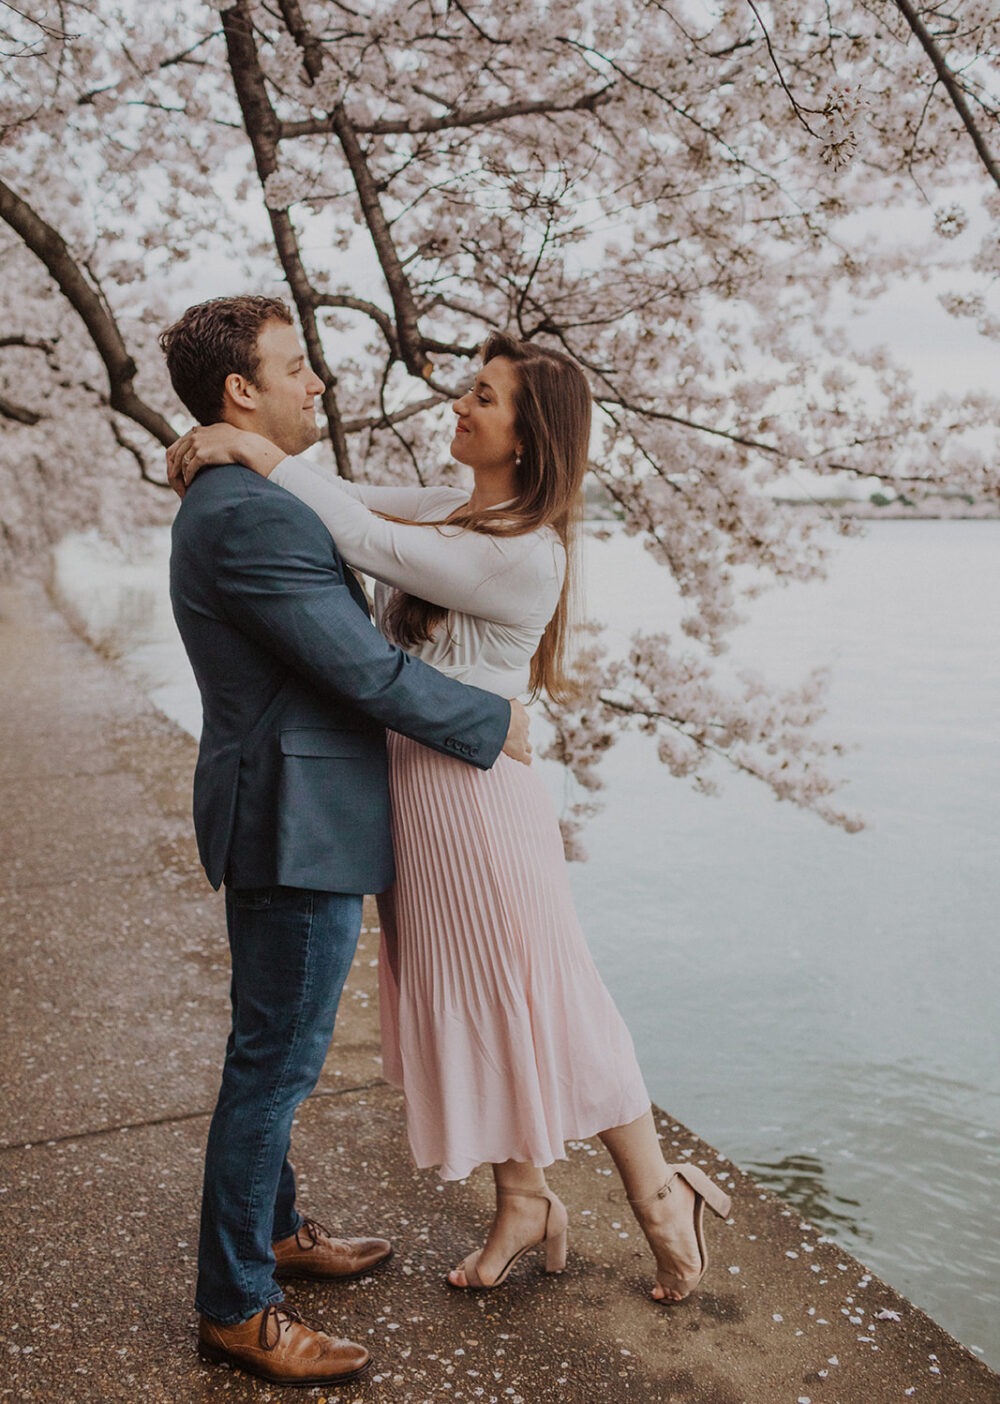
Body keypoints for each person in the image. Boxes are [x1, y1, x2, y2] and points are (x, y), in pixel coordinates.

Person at [167, 328, 732, 1310]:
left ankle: (659, 1195)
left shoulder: (525, 554)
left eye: (483, 398)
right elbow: (349, 501)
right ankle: (522, 1199)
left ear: (528, 437)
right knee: (474, 1001)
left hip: (478, 803)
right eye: (465, 389)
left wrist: (252, 448)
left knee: (545, 993)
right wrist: (244, 448)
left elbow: (364, 541)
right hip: (416, 801)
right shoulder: (463, 514)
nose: (459, 406)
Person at [160, 296, 532, 1390]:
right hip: (296, 820)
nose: (316, 382)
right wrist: (496, 724)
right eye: (293, 366)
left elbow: (395, 521)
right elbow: (361, 673)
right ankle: (235, 1305)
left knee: (269, 1052)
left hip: (288, 806)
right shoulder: (251, 515)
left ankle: (273, 1234)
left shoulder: (252, 496)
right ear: (241, 390)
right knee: (272, 1069)